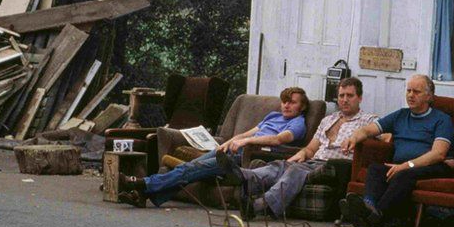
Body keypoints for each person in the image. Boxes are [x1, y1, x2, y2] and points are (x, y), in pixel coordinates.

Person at [118, 87, 310, 207]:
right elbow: (247, 133)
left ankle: (144, 184)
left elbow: (278, 140)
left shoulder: (298, 124)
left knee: (191, 169)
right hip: (234, 150)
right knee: (188, 168)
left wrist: (246, 143)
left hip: (247, 159)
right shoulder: (273, 116)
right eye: (284, 101)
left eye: (292, 102)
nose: (286, 105)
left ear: (301, 107)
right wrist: (227, 143)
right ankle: (144, 195)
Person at [226, 78, 377, 220]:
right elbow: (311, 149)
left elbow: (388, 137)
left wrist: (365, 139)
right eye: (341, 95)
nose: (344, 100)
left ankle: (259, 206)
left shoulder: (368, 120)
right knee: (281, 165)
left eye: (349, 96)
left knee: (296, 171)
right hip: (315, 161)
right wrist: (302, 153)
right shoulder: (329, 120)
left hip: (337, 165)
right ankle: (243, 176)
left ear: (360, 98)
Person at [339, 74, 454, 227]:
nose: (410, 95)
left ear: (429, 96)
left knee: (404, 174)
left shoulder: (441, 119)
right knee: (375, 168)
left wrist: (406, 165)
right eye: (408, 90)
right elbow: (367, 130)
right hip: (402, 165)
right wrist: (353, 138)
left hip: (434, 165)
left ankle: (374, 216)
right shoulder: (401, 115)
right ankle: (368, 207)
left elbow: (439, 153)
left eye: (416, 91)